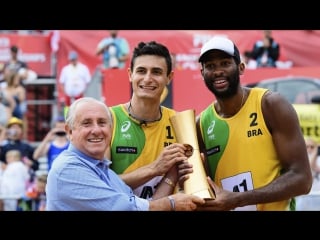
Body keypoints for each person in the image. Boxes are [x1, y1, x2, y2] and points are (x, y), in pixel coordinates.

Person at [179, 36, 312, 211]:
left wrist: (238, 199)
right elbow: (205, 189)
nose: (218, 71)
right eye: (210, 66)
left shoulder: (270, 104)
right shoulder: (201, 125)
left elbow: (303, 180)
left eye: (225, 63)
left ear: (241, 68)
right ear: (202, 73)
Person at [45, 97, 205, 211]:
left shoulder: (103, 169)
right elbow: (125, 208)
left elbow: (145, 205)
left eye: (102, 122)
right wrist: (172, 203)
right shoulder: (68, 168)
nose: (96, 130)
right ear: (69, 131)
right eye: (86, 123)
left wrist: (172, 174)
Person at [106, 41, 181, 200]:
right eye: (141, 71)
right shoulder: (108, 119)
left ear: (169, 77)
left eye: (156, 72)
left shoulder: (180, 123)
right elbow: (99, 186)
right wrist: (154, 168)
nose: (148, 79)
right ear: (130, 74)